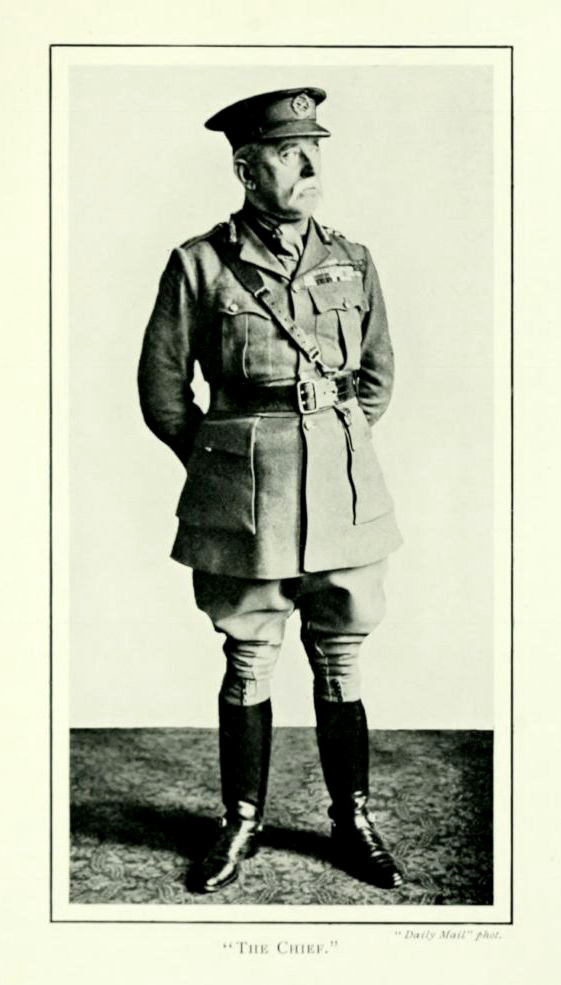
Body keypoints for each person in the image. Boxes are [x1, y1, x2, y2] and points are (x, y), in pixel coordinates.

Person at [138, 86, 403, 894]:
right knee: (249, 654)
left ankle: (352, 816)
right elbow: (163, 391)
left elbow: (374, 376)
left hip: (342, 488)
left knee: (342, 654)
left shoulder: (353, 259)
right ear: (247, 170)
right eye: (291, 153)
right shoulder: (198, 264)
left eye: (315, 149)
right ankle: (241, 819)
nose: (311, 166)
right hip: (245, 494)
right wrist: (224, 460)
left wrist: (333, 441)